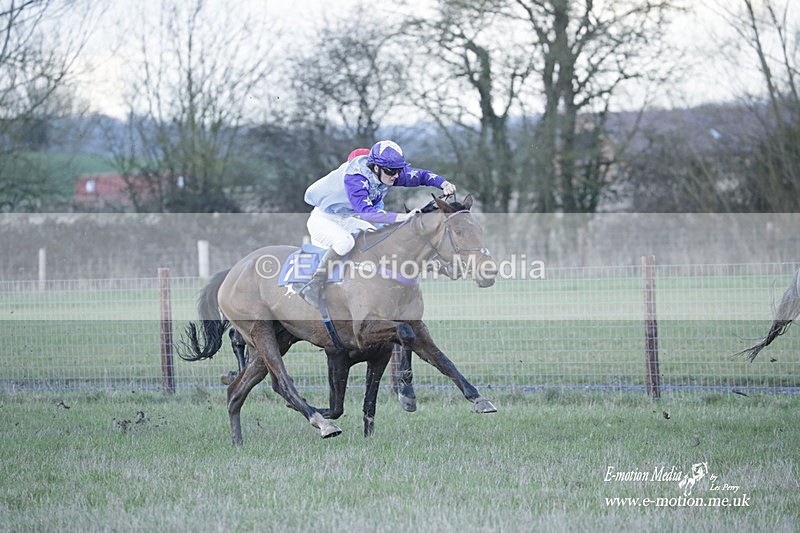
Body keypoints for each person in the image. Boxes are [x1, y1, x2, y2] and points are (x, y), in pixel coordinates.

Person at [299, 140, 457, 307]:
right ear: (375, 167)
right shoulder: (355, 178)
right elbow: (367, 213)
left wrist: (443, 183)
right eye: (391, 172)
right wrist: (403, 217)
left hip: (346, 219)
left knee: (378, 238)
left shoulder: (387, 171)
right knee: (345, 242)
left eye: (398, 171)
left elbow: (422, 176)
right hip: (323, 219)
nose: (396, 176)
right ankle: (313, 285)